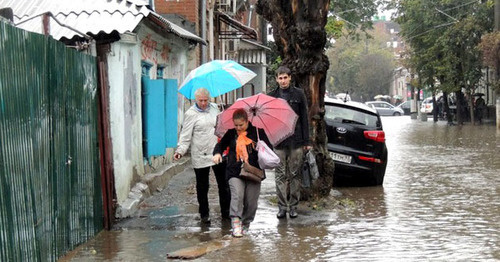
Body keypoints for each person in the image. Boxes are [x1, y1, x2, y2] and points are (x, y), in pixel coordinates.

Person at [174, 88, 230, 224]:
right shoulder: (191, 114)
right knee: (202, 185)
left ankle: (226, 213)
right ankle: (204, 214)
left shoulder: (215, 108)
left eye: (206, 100)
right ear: (196, 100)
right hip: (200, 153)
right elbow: (185, 134)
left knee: (224, 184)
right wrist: (180, 150)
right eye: (201, 101)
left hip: (217, 152)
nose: (204, 103)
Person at [212, 109, 272, 237]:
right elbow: (220, 145)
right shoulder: (231, 133)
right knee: (237, 196)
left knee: (251, 203)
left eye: (241, 125)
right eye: (236, 125)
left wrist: (262, 147)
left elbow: (269, 150)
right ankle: (235, 223)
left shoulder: (258, 133)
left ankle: (246, 223)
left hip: (254, 172)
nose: (238, 128)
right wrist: (217, 154)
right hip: (235, 171)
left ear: (247, 121)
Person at [268, 65, 312, 219]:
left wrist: (307, 140)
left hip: (296, 140)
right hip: (279, 140)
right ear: (276, 79)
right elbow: (269, 120)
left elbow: (305, 118)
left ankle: (293, 206)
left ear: (290, 78)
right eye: (280, 78)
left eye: (285, 77)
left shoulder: (299, 94)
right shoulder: (272, 96)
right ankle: (281, 207)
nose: (283, 81)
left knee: (294, 174)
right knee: (279, 175)